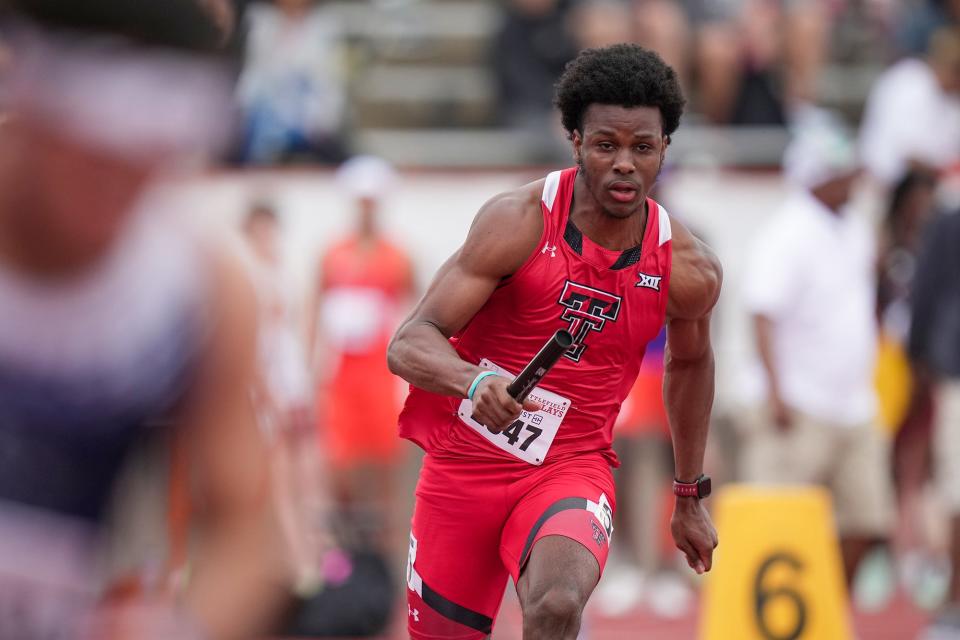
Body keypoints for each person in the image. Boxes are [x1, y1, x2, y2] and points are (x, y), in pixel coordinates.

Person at [388, 43, 722, 639]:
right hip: (463, 468)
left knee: (557, 604)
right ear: (575, 141)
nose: (624, 164)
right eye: (605, 145)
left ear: (664, 149)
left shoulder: (687, 267)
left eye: (642, 147)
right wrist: (474, 381)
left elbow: (691, 364)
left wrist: (689, 495)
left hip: (570, 467)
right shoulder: (517, 222)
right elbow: (411, 341)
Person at [0, 1, 285, 638]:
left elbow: (246, 536)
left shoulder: (197, 290)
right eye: (92, 153)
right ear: (31, 107)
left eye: (148, 158)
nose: (116, 186)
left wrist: (179, 626)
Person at [738, 110, 895, 586]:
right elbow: (761, 313)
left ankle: (827, 611)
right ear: (819, 174)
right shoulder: (788, 232)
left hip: (853, 403)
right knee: (777, 527)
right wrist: (776, 392)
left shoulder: (853, 224)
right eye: (844, 172)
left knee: (867, 522)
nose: (853, 181)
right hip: (800, 403)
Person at [308, 156, 415, 551]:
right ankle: (346, 546)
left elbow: (417, 308)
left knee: (385, 461)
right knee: (338, 462)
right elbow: (314, 309)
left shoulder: (397, 256)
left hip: (379, 374)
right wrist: (309, 368)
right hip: (341, 374)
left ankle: (384, 548)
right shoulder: (332, 254)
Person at [909, 193, 960, 639]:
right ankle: (955, 600)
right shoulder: (950, 219)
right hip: (958, 371)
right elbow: (927, 289)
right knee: (956, 491)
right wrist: (920, 355)